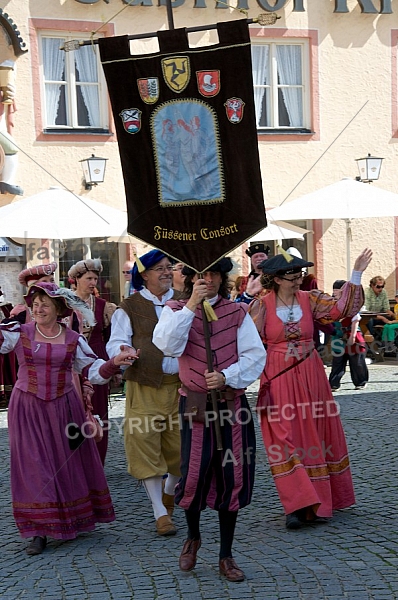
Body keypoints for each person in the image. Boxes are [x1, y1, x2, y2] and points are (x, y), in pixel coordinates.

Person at [0, 282, 135, 556]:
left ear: (58, 309)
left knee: (65, 464)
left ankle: (69, 518)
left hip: (65, 407)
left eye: (44, 304)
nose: (38, 308)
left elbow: (94, 370)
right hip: (27, 407)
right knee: (34, 465)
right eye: (35, 303)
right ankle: (37, 530)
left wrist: (114, 363)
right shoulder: (19, 333)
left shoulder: (74, 339)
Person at [153, 258, 266, 582]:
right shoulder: (175, 309)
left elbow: (255, 355)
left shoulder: (236, 312)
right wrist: (191, 305)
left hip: (231, 405)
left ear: (222, 277)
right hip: (195, 407)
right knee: (192, 475)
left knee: (232, 475)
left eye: (215, 273)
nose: (209, 280)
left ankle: (226, 554)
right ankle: (193, 536)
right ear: (190, 278)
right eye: (202, 274)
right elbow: (167, 345)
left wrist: (228, 376)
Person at [250, 248, 372, 530]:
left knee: (317, 433)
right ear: (277, 278)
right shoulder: (261, 305)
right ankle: (296, 504)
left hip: (311, 373)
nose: (298, 280)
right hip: (278, 376)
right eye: (292, 276)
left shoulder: (311, 299)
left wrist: (356, 272)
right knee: (285, 437)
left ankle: (320, 500)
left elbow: (343, 309)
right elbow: (247, 342)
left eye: (299, 274)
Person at [106, 250, 182, 537]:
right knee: (145, 445)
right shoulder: (130, 307)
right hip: (144, 386)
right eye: (159, 268)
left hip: (180, 386)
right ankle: (160, 512)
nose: (165, 272)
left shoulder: (185, 302)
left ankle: (170, 490)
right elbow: (116, 343)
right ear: (145, 275)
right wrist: (122, 353)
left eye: (168, 267)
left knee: (180, 449)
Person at [68, 258, 117, 465]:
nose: (93, 283)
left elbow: (110, 337)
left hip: (97, 362)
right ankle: (77, 461)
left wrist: (115, 370)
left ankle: (97, 461)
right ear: (76, 280)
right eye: (88, 278)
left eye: (95, 278)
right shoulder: (65, 304)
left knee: (98, 411)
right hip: (72, 364)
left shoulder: (104, 306)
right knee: (74, 411)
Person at [329, 280, 368, 391]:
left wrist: (352, 337)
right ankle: (334, 383)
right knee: (337, 361)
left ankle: (360, 382)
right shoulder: (331, 303)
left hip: (351, 333)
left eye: (337, 289)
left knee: (357, 362)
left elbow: (355, 321)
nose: (335, 292)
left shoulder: (351, 304)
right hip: (338, 336)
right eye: (334, 289)